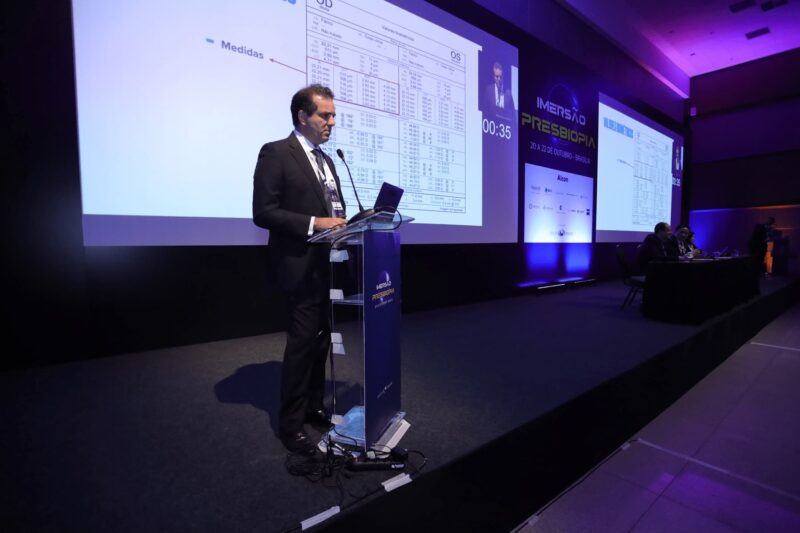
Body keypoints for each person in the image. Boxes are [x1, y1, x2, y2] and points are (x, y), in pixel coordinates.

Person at [252, 84, 347, 455]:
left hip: (327, 266)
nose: (331, 122)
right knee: (302, 344)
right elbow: (264, 212)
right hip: (298, 266)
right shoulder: (277, 152)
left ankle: (313, 406)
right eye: (325, 115)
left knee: (321, 341)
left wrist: (345, 224)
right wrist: (315, 223)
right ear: (302, 116)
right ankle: (291, 426)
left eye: (333, 115)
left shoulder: (327, 160)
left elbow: (333, 208)